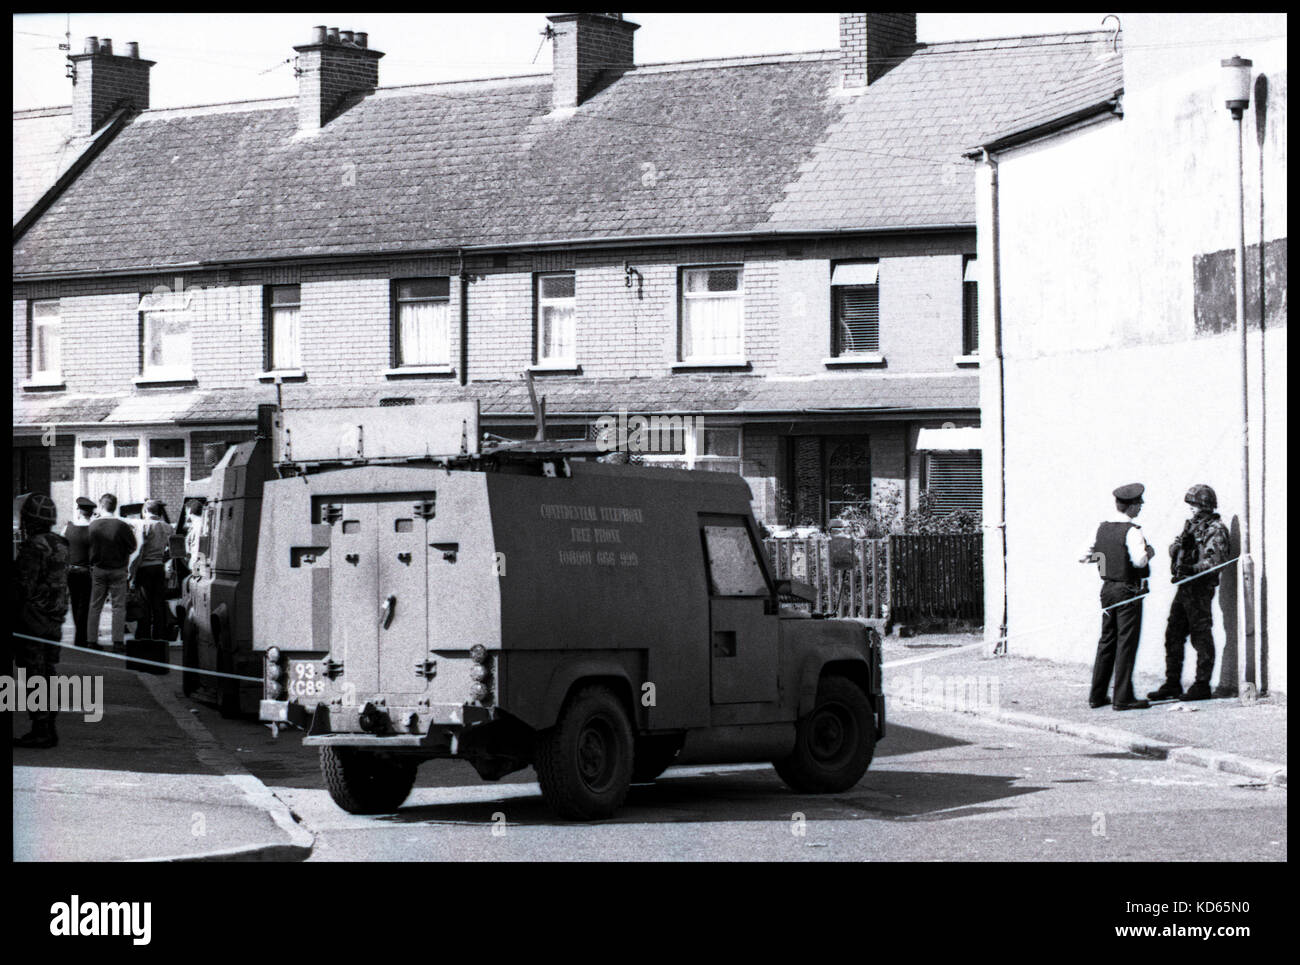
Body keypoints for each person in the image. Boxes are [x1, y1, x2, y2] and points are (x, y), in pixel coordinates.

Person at [1148, 484, 1231, 703]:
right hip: (1184, 587)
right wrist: (1178, 549)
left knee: (1201, 636)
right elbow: (1174, 547)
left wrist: (1192, 569)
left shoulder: (1216, 528)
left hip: (1200, 589)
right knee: (1173, 634)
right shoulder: (1191, 527)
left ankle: (1202, 684)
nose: (1191, 509)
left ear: (1205, 505)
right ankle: (1172, 683)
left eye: (1194, 505)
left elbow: (1217, 562)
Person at [1087, 483, 1155, 711]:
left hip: (1107, 589)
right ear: (1130, 506)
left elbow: (1084, 556)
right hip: (1128, 590)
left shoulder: (1102, 528)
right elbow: (1139, 561)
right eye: (1139, 503)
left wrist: (1106, 562)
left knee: (1107, 641)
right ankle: (1123, 697)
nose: (1141, 506)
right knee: (1126, 643)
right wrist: (1149, 552)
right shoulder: (1133, 531)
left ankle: (1097, 696)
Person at [13, 493, 70, 748]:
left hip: (32, 621)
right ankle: (49, 727)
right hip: (54, 619)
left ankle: (41, 729)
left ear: (30, 520)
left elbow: (23, 587)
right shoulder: (61, 543)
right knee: (48, 672)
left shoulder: (33, 547)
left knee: (34, 675)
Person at [86, 493, 137, 652]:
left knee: (95, 606)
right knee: (118, 607)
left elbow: (87, 547)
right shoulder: (122, 526)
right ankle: (117, 642)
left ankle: (91, 640)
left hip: (99, 569)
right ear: (115, 506)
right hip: (118, 569)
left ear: (101, 505)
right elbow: (132, 546)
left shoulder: (92, 525)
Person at [131, 499, 175, 643]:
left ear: (145, 511)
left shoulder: (143, 526)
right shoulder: (168, 527)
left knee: (144, 604)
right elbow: (175, 550)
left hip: (145, 567)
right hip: (159, 568)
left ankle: (143, 636)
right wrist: (162, 558)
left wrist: (132, 570)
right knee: (158, 604)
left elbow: (139, 550)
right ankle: (160, 635)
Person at [62, 497, 97, 649]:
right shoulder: (94, 529)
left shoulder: (67, 528)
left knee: (75, 604)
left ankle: (79, 636)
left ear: (78, 511)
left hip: (70, 570)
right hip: (87, 571)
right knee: (86, 605)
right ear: (91, 512)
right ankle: (81, 638)